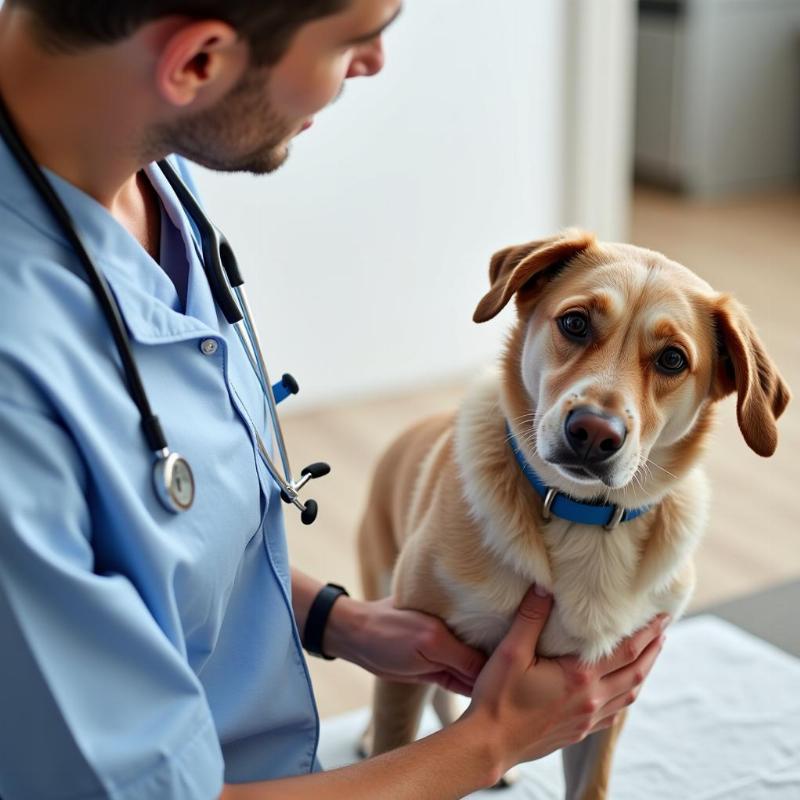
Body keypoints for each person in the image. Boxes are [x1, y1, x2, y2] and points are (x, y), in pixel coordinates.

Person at [0, 1, 667, 798]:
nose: (375, 62)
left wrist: (331, 619)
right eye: (356, 39)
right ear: (197, 63)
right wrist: (493, 742)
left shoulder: (131, 157)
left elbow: (130, 543)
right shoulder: (17, 389)